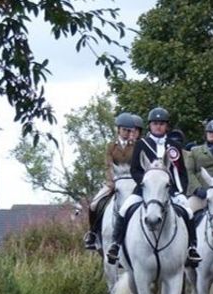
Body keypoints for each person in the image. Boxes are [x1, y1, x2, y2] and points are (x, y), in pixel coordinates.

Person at [105, 107, 201, 267]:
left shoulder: (173, 145)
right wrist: (146, 184)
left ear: (166, 126)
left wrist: (179, 190)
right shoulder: (141, 144)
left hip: (170, 189)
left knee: (188, 212)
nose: (158, 126)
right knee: (124, 210)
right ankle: (116, 245)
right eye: (155, 123)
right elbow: (135, 169)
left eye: (162, 124)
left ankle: (192, 248)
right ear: (150, 125)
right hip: (145, 189)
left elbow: (181, 172)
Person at [83, 112, 137, 250]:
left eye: (129, 130)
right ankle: (93, 234)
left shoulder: (136, 146)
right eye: (124, 130)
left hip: (132, 182)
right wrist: (110, 181)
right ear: (118, 129)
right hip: (114, 181)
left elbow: (137, 166)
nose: (126, 133)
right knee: (94, 205)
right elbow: (108, 165)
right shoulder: (111, 146)